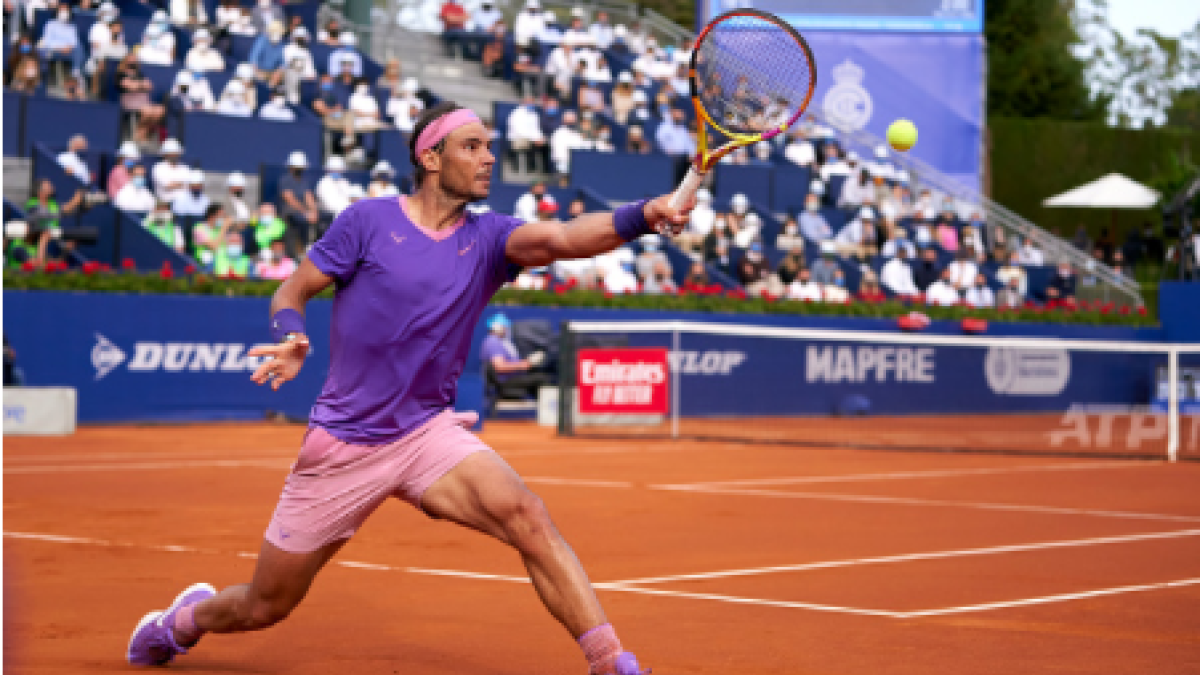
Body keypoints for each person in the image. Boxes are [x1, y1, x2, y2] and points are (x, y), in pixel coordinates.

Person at [126, 101, 691, 675]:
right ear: (430, 156)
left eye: (490, 146)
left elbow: (566, 238)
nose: (488, 158)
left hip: (426, 435)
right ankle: (184, 621)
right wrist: (292, 335)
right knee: (266, 604)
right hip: (343, 444)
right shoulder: (366, 222)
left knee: (526, 514)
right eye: (471, 146)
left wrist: (647, 213)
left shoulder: (491, 239)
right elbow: (291, 291)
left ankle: (608, 660)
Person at [481, 312, 550, 398]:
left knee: (537, 378)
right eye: (504, 327)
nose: (506, 329)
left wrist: (527, 363)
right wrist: (524, 364)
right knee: (542, 378)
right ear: (497, 327)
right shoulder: (493, 342)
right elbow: (499, 367)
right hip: (504, 382)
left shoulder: (500, 342)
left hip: (510, 379)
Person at [278, 151, 321, 256]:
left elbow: (309, 197)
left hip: (303, 213)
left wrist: (314, 211)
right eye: (297, 167)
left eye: (301, 167)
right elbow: (290, 199)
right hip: (289, 213)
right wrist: (306, 212)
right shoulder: (285, 180)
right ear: (290, 167)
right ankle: (299, 250)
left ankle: (317, 248)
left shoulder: (304, 181)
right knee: (300, 219)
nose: (299, 169)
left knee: (325, 217)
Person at [152, 138, 190, 203]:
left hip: (185, 201)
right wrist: (182, 183)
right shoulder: (158, 167)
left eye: (175, 152)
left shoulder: (185, 168)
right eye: (171, 152)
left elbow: (190, 185)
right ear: (165, 154)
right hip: (165, 202)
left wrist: (176, 184)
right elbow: (167, 186)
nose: (174, 155)